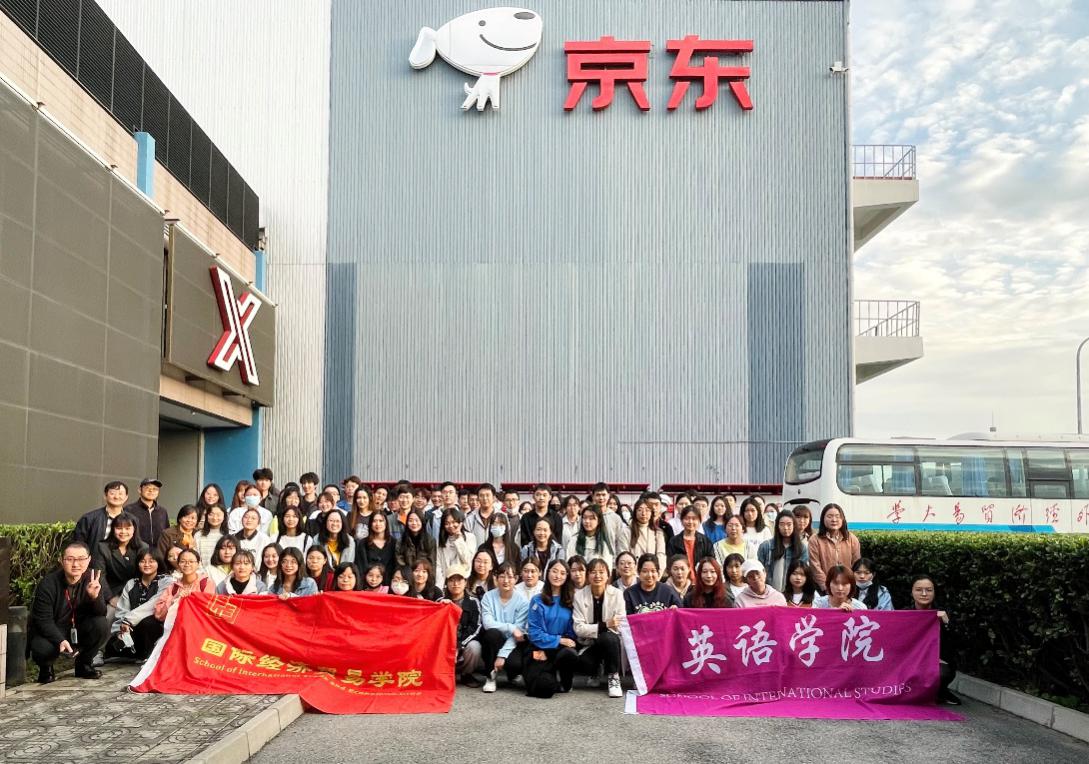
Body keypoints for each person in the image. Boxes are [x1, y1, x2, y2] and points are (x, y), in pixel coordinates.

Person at [29, 541, 109, 683]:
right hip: (56, 627)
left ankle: (84, 664)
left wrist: (94, 597)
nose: (75, 564)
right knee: (41, 646)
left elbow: (101, 612)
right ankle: (46, 668)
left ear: (89, 559)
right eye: (70, 559)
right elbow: (43, 620)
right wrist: (60, 639)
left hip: (80, 627)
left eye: (81, 559)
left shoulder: (94, 578)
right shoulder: (48, 583)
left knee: (101, 625)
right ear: (61, 560)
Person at [120, 548, 214, 661]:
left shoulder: (206, 583)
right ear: (178, 564)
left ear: (198, 564)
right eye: (183, 561)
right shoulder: (173, 587)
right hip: (174, 626)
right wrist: (175, 599)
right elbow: (159, 614)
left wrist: (191, 598)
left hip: (197, 626)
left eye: (191, 561)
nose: (187, 564)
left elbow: (208, 609)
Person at [105, 548, 171, 661]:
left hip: (156, 626)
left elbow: (153, 603)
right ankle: (137, 654)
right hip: (131, 627)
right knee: (112, 647)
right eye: (142, 561)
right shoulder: (131, 583)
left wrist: (129, 620)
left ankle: (151, 656)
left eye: (151, 561)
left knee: (148, 623)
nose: (147, 564)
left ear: (159, 562)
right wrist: (120, 631)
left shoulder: (166, 581)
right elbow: (122, 610)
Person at [524, 559, 578, 697]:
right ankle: (550, 677)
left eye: (562, 573)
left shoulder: (572, 600)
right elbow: (535, 633)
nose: (558, 576)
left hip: (560, 649)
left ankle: (566, 682)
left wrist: (559, 643)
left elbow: (572, 634)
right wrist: (558, 640)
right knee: (544, 688)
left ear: (567, 577)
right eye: (554, 571)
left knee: (569, 654)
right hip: (539, 648)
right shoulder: (537, 600)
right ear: (547, 573)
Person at [573, 558, 626, 698]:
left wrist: (598, 629)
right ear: (587, 575)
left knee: (608, 638)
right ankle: (596, 670)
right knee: (584, 662)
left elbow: (620, 624)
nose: (597, 576)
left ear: (608, 575)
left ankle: (614, 677)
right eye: (593, 572)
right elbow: (578, 628)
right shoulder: (579, 596)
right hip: (589, 643)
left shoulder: (617, 594)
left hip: (611, 640)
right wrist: (606, 625)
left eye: (601, 572)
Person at [909, 574, 961, 705]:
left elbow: (957, 641)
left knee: (941, 673)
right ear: (912, 592)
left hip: (937, 661)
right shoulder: (905, 614)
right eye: (919, 590)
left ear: (934, 592)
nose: (924, 594)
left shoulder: (944, 613)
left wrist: (947, 623)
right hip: (909, 660)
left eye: (929, 590)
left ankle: (940, 692)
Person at [479, 562, 530, 692]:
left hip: (513, 643)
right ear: (496, 578)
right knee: (491, 634)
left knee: (515, 664)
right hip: (494, 640)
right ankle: (490, 676)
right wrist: (511, 628)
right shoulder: (488, 597)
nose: (506, 581)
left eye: (510, 577)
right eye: (502, 576)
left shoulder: (523, 602)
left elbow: (519, 633)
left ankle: (512, 675)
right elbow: (488, 623)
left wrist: (502, 655)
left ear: (516, 579)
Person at [441, 564, 484, 687]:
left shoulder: (473, 602)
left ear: (465, 582)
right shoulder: (440, 602)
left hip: (463, 643)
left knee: (475, 647)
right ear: (447, 583)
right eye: (452, 580)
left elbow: (475, 628)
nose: (455, 584)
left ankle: (466, 674)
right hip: (444, 644)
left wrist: (458, 646)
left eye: (459, 580)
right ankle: (442, 674)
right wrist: (442, 608)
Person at [808, 503, 861, 592]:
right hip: (823, 589)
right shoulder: (815, 540)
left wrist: (847, 585)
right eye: (829, 516)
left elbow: (856, 564)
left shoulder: (852, 539)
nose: (834, 519)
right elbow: (815, 566)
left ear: (842, 519)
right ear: (823, 519)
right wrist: (827, 587)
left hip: (847, 588)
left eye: (837, 516)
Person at [92, 515, 145, 601]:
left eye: (127, 528)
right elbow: (100, 575)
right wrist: (110, 598)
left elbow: (145, 574)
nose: (123, 532)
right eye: (119, 528)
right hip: (111, 592)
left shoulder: (143, 548)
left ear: (134, 529)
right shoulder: (102, 547)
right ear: (113, 529)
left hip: (137, 593)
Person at [757, 509, 809, 591]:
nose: (785, 528)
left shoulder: (802, 548)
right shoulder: (766, 546)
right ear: (777, 526)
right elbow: (760, 572)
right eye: (782, 524)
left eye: (789, 524)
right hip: (769, 591)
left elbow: (803, 573)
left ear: (794, 525)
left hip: (792, 592)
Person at [73, 481, 138, 546]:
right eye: (112, 493)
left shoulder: (132, 520)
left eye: (120, 494)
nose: (116, 496)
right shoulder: (89, 518)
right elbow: (78, 544)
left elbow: (136, 543)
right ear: (105, 496)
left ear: (126, 497)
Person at [666, 506, 715, 581]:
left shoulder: (706, 541)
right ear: (681, 520)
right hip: (681, 581)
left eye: (694, 519)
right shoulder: (674, 541)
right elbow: (670, 563)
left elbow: (711, 562)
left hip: (701, 581)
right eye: (687, 518)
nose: (690, 522)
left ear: (699, 521)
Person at [125, 478, 170, 549]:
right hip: (136, 551)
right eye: (147, 488)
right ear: (139, 490)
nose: (151, 491)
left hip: (159, 552)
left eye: (155, 489)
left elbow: (166, 532)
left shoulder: (162, 511)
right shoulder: (129, 509)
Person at [566, 506, 614, 572]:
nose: (587, 521)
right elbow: (569, 562)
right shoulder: (574, 539)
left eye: (591, 518)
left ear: (599, 521)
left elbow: (607, 568)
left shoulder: (603, 542)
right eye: (584, 518)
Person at [627, 497, 667, 573]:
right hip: (632, 574)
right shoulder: (626, 531)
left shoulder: (658, 532)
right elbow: (624, 555)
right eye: (640, 510)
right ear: (635, 512)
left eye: (647, 510)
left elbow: (661, 555)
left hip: (652, 574)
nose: (643, 513)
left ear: (651, 513)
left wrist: (657, 574)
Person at [435, 509, 475, 583]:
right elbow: (438, 566)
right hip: (446, 581)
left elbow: (467, 559)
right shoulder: (441, 541)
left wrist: (459, 539)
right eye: (447, 523)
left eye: (454, 522)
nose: (450, 526)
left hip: (463, 580)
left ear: (460, 522)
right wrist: (440, 585)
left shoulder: (469, 537)